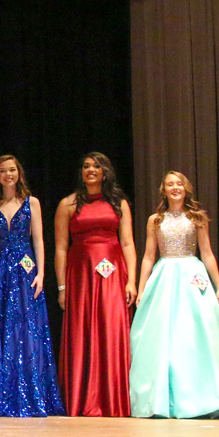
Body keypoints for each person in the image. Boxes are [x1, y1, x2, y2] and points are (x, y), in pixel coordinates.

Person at [0, 155, 63, 417]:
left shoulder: (32, 203)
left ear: (19, 173)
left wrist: (41, 273)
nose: (8, 175)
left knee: (25, 328)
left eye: (12, 170)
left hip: (24, 269)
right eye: (3, 171)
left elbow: (39, 240)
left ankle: (27, 393)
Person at [128, 171, 219, 418]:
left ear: (186, 189)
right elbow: (148, 256)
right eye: (170, 184)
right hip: (165, 276)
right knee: (163, 334)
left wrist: (218, 286)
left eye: (179, 184)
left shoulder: (197, 218)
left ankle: (199, 397)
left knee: (195, 332)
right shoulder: (155, 220)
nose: (175, 187)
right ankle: (163, 398)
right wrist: (142, 287)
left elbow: (207, 253)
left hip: (192, 276)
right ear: (163, 190)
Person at [53, 152, 138, 417]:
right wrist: (62, 287)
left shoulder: (119, 203)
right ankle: (83, 398)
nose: (91, 170)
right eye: (86, 166)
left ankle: (113, 399)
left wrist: (132, 281)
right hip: (81, 276)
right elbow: (61, 249)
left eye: (97, 166)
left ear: (104, 172)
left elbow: (127, 243)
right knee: (83, 331)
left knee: (112, 330)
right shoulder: (67, 204)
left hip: (113, 274)